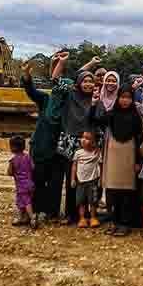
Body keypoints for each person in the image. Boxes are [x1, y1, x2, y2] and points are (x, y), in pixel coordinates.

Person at [52, 54, 102, 224]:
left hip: (90, 143)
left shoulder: (96, 100)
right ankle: (71, 214)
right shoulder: (71, 95)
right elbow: (56, 80)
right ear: (79, 83)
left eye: (91, 81)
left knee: (91, 179)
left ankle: (90, 214)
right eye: (85, 81)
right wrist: (62, 62)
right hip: (71, 142)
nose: (88, 84)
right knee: (72, 179)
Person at [20, 55, 66, 223]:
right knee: (38, 180)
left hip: (59, 150)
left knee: (55, 183)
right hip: (40, 147)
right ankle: (37, 210)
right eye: (58, 89)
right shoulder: (45, 100)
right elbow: (31, 91)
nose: (59, 91)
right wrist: (26, 75)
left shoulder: (68, 106)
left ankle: (52, 213)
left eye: (63, 89)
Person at [94, 84, 143, 236]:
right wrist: (94, 104)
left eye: (128, 98)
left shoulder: (135, 117)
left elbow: (139, 140)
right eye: (122, 97)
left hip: (129, 157)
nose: (125, 100)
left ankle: (124, 223)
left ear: (132, 99)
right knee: (111, 191)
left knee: (126, 192)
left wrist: (138, 161)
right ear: (118, 98)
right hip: (112, 157)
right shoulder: (111, 115)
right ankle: (113, 222)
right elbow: (95, 120)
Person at [71, 130, 102, 228]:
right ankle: (82, 218)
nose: (83, 140)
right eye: (83, 137)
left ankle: (93, 217)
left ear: (93, 142)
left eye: (87, 138)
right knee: (81, 202)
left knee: (93, 201)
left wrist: (101, 178)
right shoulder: (78, 153)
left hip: (93, 181)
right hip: (80, 181)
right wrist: (73, 179)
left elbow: (100, 165)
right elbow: (74, 166)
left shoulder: (97, 153)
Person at [7, 135, 36, 229]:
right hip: (30, 183)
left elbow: (9, 173)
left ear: (13, 148)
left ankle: (32, 217)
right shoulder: (28, 157)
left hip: (21, 186)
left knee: (26, 202)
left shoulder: (13, 160)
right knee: (21, 201)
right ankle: (22, 218)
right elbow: (33, 167)